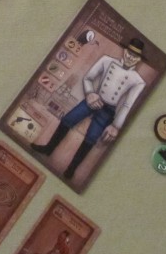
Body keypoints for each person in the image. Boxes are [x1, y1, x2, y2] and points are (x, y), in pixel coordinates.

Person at [32, 38, 148, 180]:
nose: (130, 57)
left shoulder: (138, 81)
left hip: (108, 110)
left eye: (135, 56)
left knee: (91, 138)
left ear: (139, 59)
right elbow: (88, 78)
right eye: (129, 53)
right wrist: (90, 93)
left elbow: (126, 105)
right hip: (93, 99)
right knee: (68, 119)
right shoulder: (106, 60)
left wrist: (116, 126)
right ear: (125, 51)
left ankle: (71, 168)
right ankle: (48, 148)